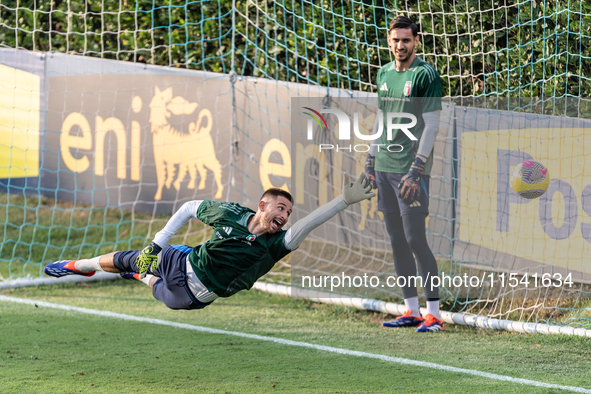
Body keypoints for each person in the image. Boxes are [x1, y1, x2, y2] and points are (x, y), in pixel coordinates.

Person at [44, 173, 375, 310]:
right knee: (130, 258)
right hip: (182, 260)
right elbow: (189, 208)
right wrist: (158, 244)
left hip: (193, 296)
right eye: (280, 208)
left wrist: (343, 200)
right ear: (262, 206)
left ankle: (140, 275)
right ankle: (77, 266)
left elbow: (308, 223)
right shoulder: (230, 213)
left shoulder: (277, 245)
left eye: (288, 213)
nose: (285, 216)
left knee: (151, 283)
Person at [365, 16, 444, 332]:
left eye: (406, 40)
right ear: (389, 40)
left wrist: (418, 167)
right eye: (396, 40)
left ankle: (434, 314)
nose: (401, 46)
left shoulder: (426, 74)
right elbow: (381, 120)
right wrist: (370, 161)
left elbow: (433, 124)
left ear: (416, 41)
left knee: (415, 239)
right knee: (396, 240)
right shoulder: (384, 73)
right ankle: (410, 310)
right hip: (384, 168)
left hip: (410, 173)